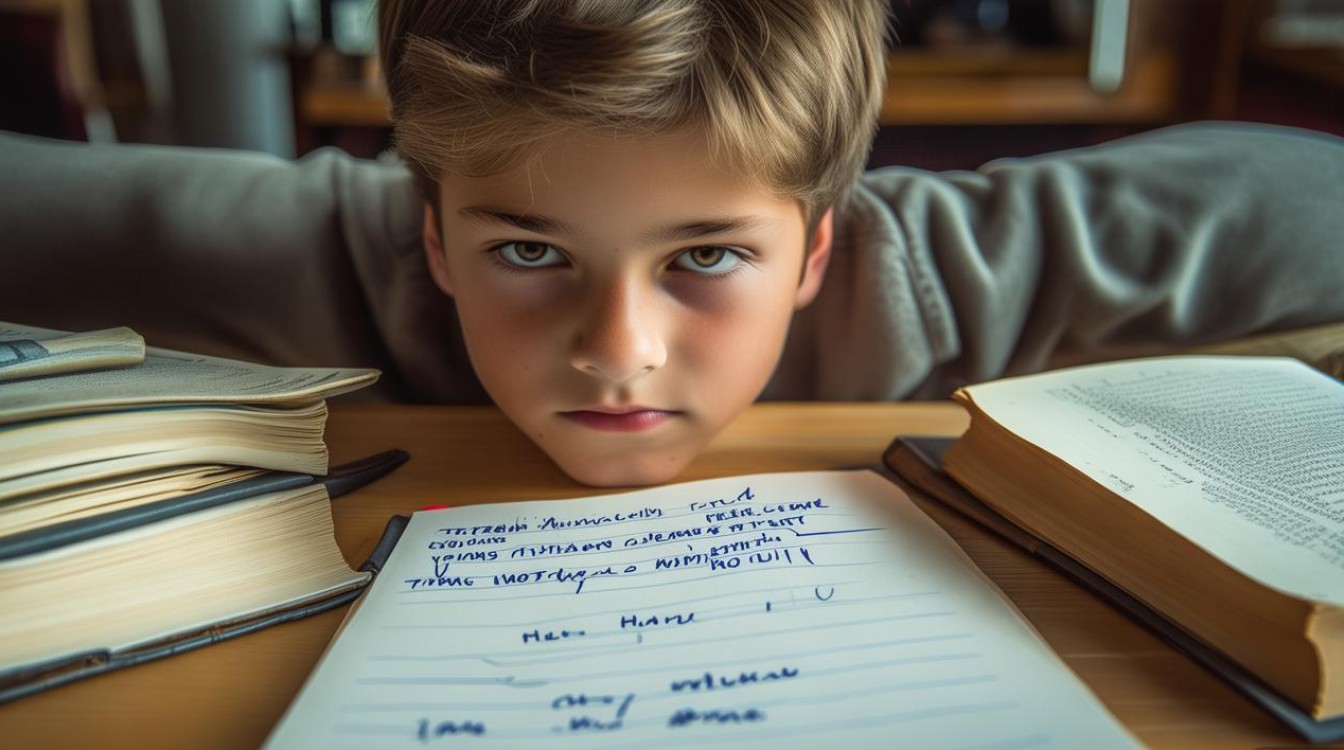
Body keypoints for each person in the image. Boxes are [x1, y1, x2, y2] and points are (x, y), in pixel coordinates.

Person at [3, 0, 1343, 486]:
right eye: (531, 253)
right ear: (437, 233)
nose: (617, 354)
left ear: (818, 249)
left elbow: (1302, 192)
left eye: (706, 256)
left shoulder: (963, 255)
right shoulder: (327, 240)